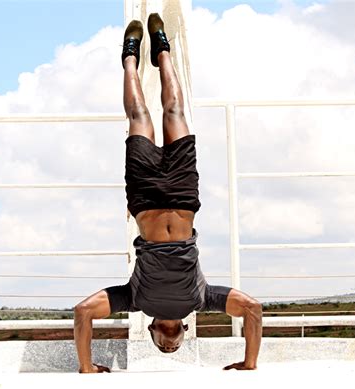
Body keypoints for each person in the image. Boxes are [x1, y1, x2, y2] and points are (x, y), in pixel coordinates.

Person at [73, 13, 262, 373]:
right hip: (182, 194)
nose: (171, 345)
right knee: (175, 110)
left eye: (165, 348)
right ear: (185, 331)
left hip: (145, 197)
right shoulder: (201, 298)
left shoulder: (136, 299)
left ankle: (130, 55)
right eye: (175, 347)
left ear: (152, 334)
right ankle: (162, 51)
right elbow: (253, 308)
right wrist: (249, 364)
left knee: (139, 114)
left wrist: (87, 368)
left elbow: (83, 311)